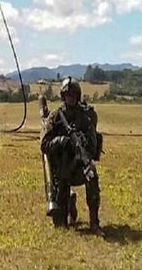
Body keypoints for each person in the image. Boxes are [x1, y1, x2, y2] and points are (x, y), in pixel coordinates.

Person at [41, 78, 103, 235]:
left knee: (92, 175)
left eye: (74, 95)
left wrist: (82, 145)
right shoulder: (55, 117)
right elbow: (44, 145)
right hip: (61, 171)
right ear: (63, 96)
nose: (71, 98)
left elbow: (93, 145)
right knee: (60, 225)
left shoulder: (85, 117)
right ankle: (68, 201)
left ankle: (94, 223)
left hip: (79, 167)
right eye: (68, 95)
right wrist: (61, 141)